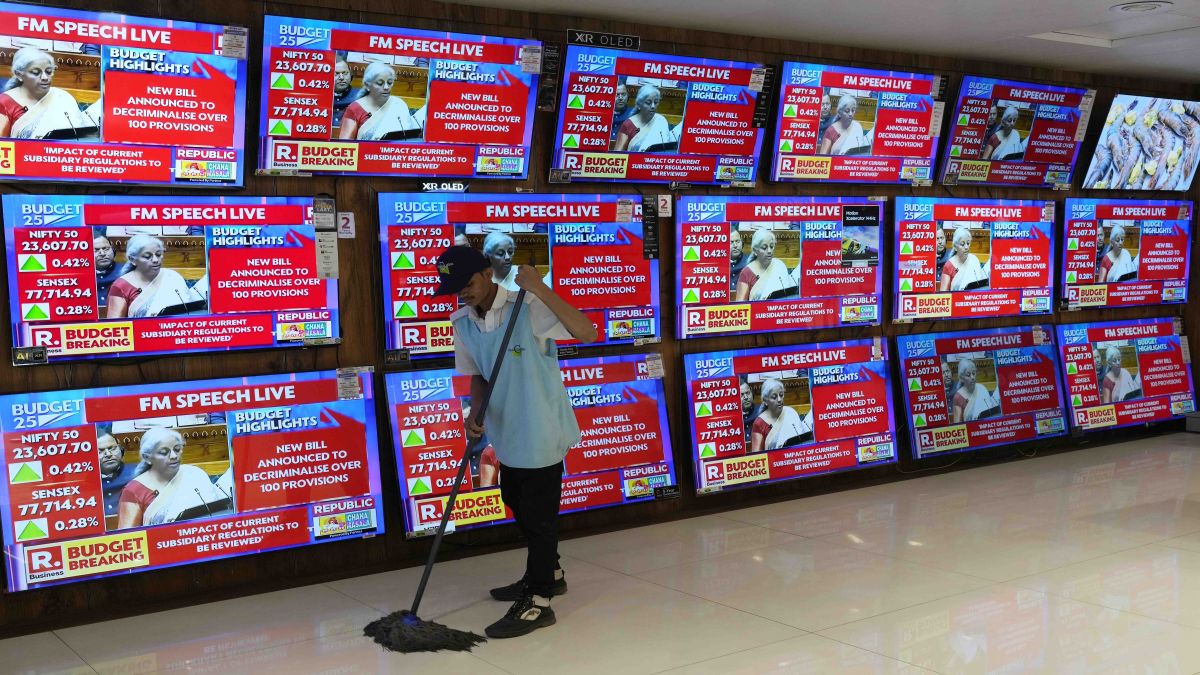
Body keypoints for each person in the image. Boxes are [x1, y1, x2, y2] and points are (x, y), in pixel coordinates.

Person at [435, 245, 597, 638]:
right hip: (507, 432)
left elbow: (587, 331)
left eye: (468, 283)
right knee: (516, 503)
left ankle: (539, 600)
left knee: (539, 520)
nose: (463, 293)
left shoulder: (527, 306)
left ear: (488, 273)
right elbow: (478, 375)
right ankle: (550, 571)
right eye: (455, 288)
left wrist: (540, 287)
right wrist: (475, 414)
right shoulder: (463, 323)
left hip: (541, 428)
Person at [116, 428, 229, 529]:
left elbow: (216, 513)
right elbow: (129, 539)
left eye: (176, 449)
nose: (174, 456)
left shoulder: (194, 473)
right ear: (147, 457)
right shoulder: (133, 490)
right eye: (164, 452)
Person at [0, 46, 92, 139]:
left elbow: (79, 136)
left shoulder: (61, 97)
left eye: (48, 71)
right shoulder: (4, 102)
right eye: (36, 72)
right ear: (19, 75)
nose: (45, 77)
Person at [105, 234, 202, 319]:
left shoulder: (172, 276)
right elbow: (115, 326)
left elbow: (190, 312)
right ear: (132, 259)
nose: (155, 260)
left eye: (159, 255)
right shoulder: (120, 286)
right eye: (147, 256)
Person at [338, 61, 421, 141]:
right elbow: (345, 146)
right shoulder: (354, 109)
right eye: (380, 83)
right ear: (367, 85)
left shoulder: (399, 104)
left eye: (389, 82)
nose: (386, 87)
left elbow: (408, 140)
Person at [749, 379, 813, 452]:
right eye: (774, 397)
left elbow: (801, 440)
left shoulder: (790, 412)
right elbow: (757, 456)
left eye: (781, 395)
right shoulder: (759, 424)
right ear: (765, 401)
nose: (779, 399)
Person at [734, 229, 796, 301]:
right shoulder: (746, 273)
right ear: (755, 251)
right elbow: (741, 306)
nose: (769, 251)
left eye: (771, 246)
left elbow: (789, 296)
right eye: (764, 248)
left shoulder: (779, 265)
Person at [613, 84, 676, 152]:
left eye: (656, 102)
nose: (653, 106)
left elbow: (666, 149)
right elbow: (617, 154)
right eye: (648, 103)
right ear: (639, 104)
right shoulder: (628, 124)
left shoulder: (661, 120)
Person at [97, 430, 137, 518]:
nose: (108, 454)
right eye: (100, 451)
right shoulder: (83, 483)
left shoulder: (139, 473)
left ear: (121, 449)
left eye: (112, 448)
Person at [939, 227, 989, 292]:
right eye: (962, 244)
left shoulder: (974, 259)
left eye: (968, 243)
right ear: (955, 247)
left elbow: (980, 285)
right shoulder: (949, 265)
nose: (966, 247)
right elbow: (943, 293)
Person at [331, 51, 363, 127]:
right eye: (336, 74)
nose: (341, 78)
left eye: (345, 73)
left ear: (351, 75)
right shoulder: (319, 97)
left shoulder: (361, 96)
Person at [93, 230, 122, 306]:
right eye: (95, 250)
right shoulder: (79, 275)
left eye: (106, 249)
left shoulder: (127, 271)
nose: (102, 254)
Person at [740, 381, 762, 447]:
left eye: (748, 393)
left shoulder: (763, 411)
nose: (746, 397)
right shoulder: (732, 419)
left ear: (752, 394)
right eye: (742, 395)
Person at [728, 226, 750, 291]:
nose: (735, 245)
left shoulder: (750, 262)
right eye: (731, 242)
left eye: (737, 241)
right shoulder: (717, 264)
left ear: (742, 243)